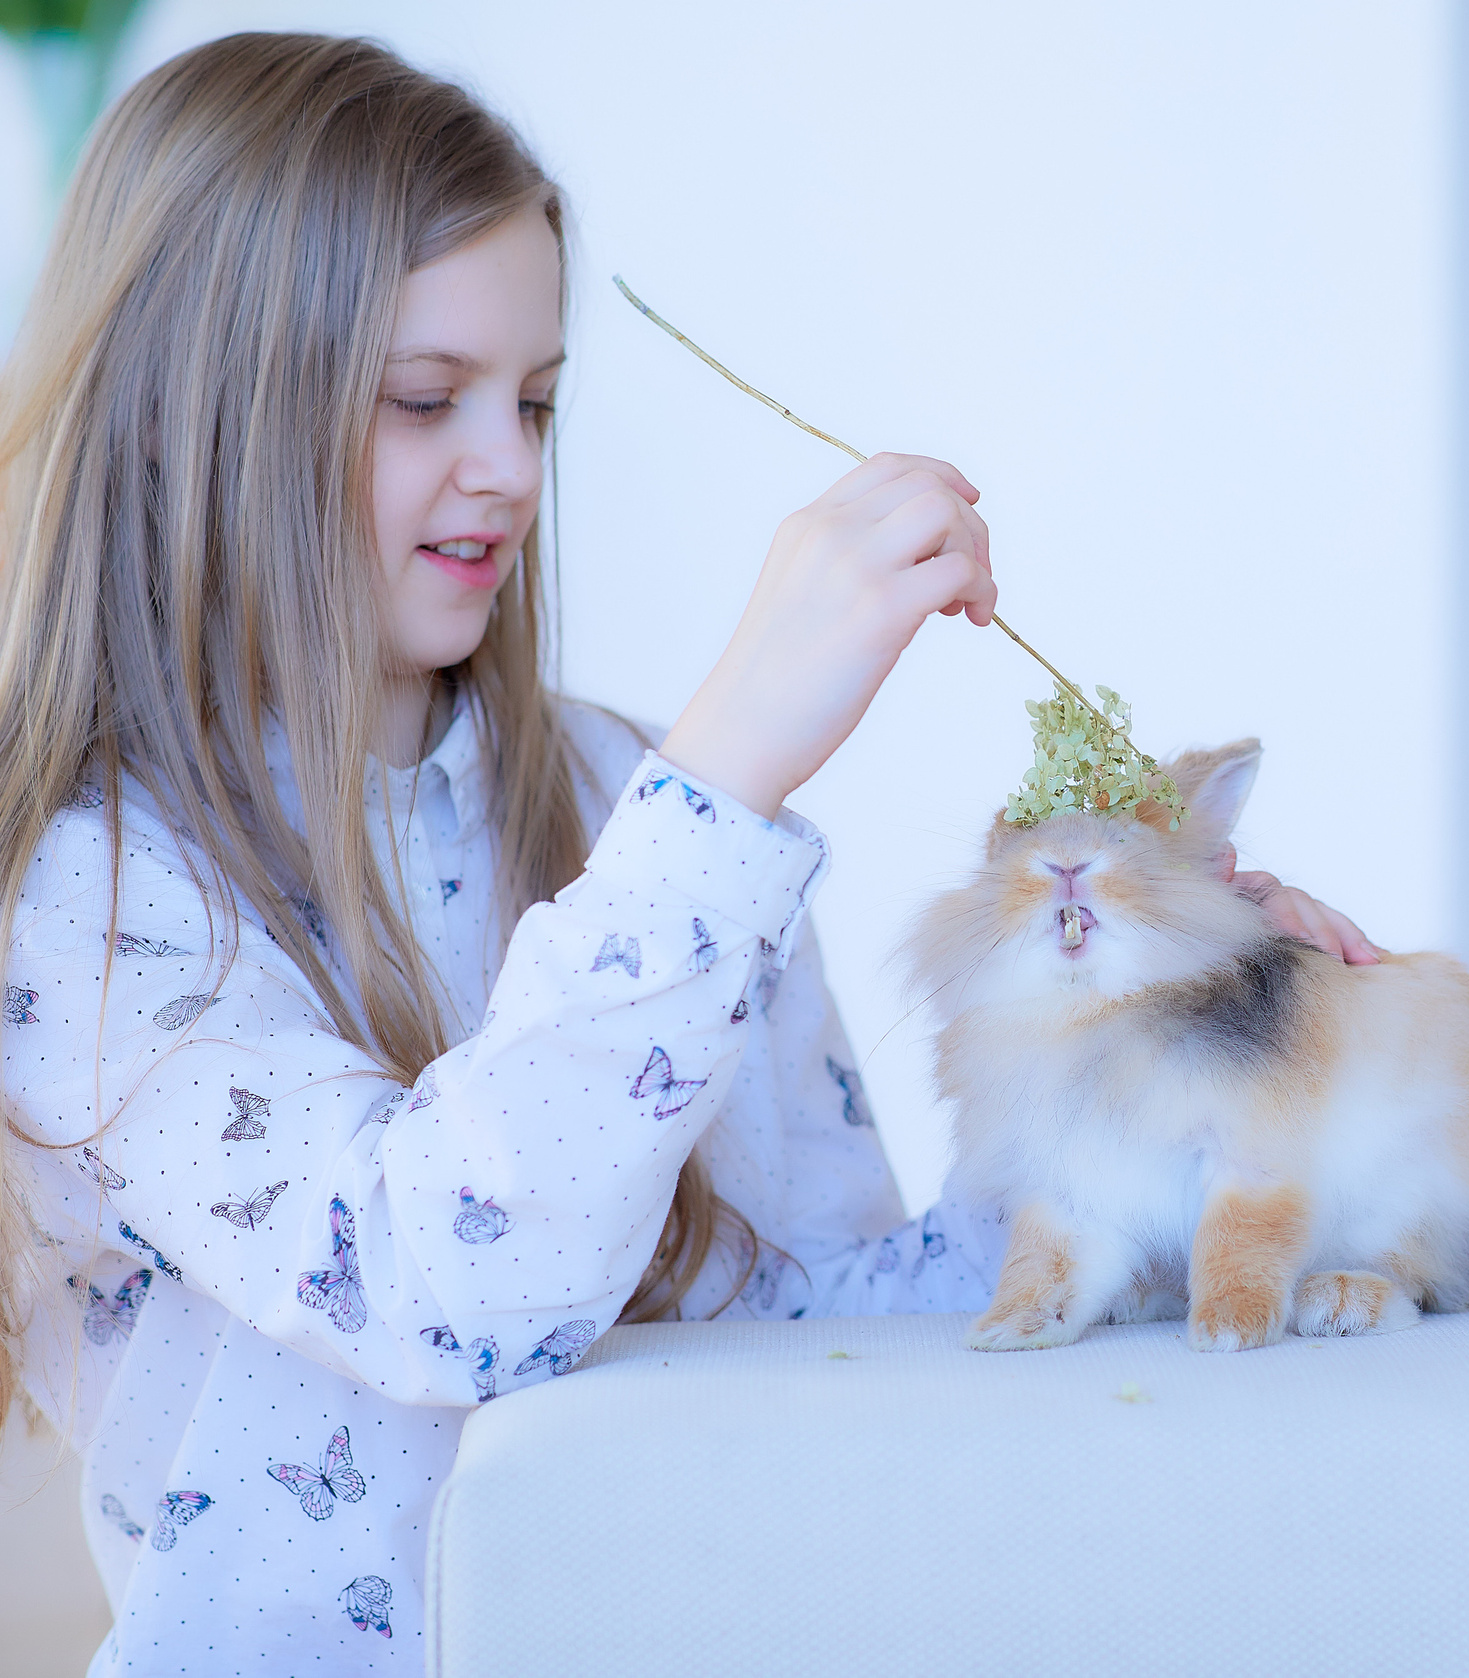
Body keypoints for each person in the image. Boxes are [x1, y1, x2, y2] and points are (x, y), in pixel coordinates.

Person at [0, 33, 1378, 1675]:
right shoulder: (89, 905)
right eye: (426, 400)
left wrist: (1164, 1070)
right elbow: (449, 1284)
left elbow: (823, 1322)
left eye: (537, 400)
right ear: (183, 422)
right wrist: (726, 769)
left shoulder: (607, 791)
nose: (509, 470)